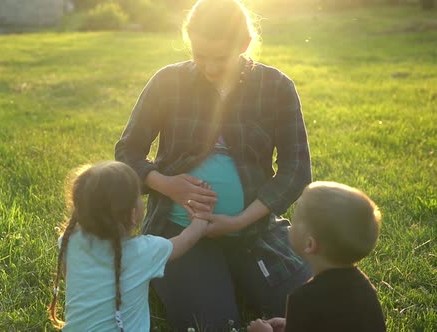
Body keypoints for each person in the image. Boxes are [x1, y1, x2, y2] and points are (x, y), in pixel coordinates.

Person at [115, 0, 312, 329]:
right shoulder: (168, 82)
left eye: (219, 59)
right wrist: (168, 185)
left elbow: (295, 171)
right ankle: (213, 281)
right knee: (211, 323)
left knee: (309, 312)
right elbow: (127, 152)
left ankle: (237, 273)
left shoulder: (276, 87)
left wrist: (238, 222)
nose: (207, 67)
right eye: (199, 56)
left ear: (244, 45)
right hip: (178, 233)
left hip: (255, 230)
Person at [48, 161, 210, 331]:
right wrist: (201, 219)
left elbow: (71, 279)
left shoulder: (69, 241)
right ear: (133, 213)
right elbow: (185, 241)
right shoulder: (145, 251)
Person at [247, 181, 386, 332]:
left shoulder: (303, 299)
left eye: (296, 217)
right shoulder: (366, 289)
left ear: (309, 244)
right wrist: (293, 323)